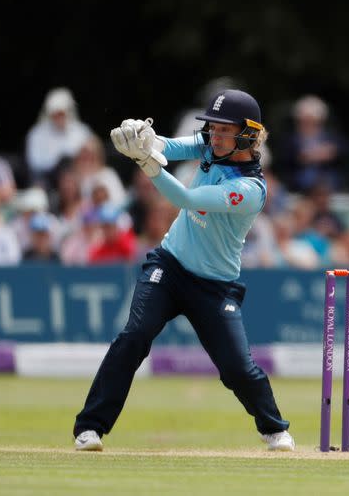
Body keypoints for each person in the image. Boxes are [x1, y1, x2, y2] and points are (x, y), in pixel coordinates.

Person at [72, 90, 294, 452]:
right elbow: (168, 145)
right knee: (134, 336)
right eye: (213, 128)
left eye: (225, 130)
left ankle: (274, 428)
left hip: (215, 286)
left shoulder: (251, 189)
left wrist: (148, 164)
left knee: (237, 368)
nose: (215, 136)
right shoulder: (209, 146)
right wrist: (143, 138)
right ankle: (90, 428)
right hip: (169, 266)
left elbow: (186, 199)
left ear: (248, 134)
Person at [25, 88, 93, 188]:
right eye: (56, 114)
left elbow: (92, 157)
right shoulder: (36, 134)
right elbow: (34, 164)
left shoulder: (82, 131)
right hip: (49, 182)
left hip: (80, 180)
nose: (59, 117)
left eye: (62, 113)